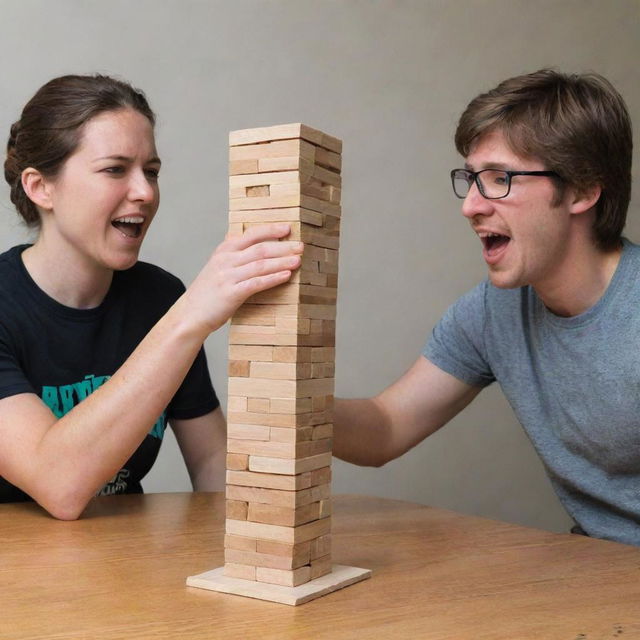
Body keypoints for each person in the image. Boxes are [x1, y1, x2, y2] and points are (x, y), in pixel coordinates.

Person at [333, 69, 639, 545]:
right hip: (596, 570)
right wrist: (287, 402)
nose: (471, 206)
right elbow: (384, 429)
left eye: (499, 179)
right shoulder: (493, 313)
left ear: (582, 190)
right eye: (470, 179)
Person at [0, 74, 302, 520]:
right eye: (115, 169)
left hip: (122, 566)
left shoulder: (159, 296)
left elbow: (211, 460)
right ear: (40, 187)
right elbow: (58, 485)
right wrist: (191, 317)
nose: (144, 192)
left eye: (152, 172)